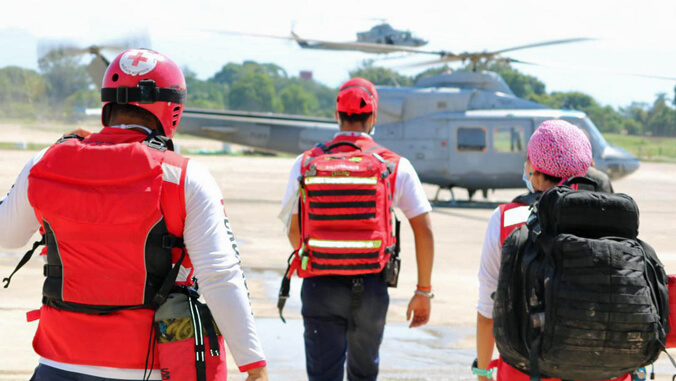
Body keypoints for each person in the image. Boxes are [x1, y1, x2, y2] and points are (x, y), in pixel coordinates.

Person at [0, 49, 267, 381]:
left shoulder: (45, 162)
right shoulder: (185, 178)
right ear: (173, 110)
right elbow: (220, 277)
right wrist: (253, 363)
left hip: (58, 364)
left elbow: (6, 236)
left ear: (107, 105)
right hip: (147, 369)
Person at [278, 78, 435, 381]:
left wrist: (314, 255)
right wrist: (423, 291)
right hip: (371, 287)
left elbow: (293, 229)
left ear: (337, 116)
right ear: (374, 117)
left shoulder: (306, 163)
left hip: (319, 284)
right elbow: (424, 229)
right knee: (364, 375)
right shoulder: (393, 165)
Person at [474, 119, 629, 381]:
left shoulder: (506, 220)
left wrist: (481, 372)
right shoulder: (616, 216)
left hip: (526, 371)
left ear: (534, 170)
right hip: (605, 372)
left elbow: (488, 309)